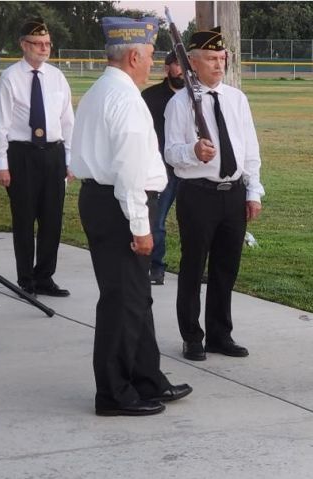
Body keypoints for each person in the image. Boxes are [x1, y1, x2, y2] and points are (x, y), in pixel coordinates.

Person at [70, 16, 192, 416]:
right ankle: (113, 393)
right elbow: (128, 172)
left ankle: (146, 378)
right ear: (134, 55)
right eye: (152, 54)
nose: (154, 61)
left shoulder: (99, 91)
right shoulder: (125, 99)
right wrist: (141, 227)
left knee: (136, 298)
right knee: (123, 302)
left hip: (103, 201)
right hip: (122, 205)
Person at [164, 27, 264, 362]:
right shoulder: (180, 103)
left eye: (221, 58)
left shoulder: (237, 99)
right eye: (210, 58)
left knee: (226, 268)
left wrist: (253, 191)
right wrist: (193, 151)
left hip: (232, 194)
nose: (218, 65)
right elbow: (170, 153)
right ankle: (192, 336)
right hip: (198, 194)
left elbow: (249, 149)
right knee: (193, 266)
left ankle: (220, 334)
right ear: (192, 62)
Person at [0, 17, 73, 297]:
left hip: (53, 153)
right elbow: (0, 125)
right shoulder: (10, 78)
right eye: (37, 44)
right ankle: (26, 280)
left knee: (52, 220)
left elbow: (67, 120)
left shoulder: (57, 77)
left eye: (47, 43)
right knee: (25, 219)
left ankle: (45, 277)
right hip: (22, 155)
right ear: (23, 45)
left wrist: (69, 159)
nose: (44, 48)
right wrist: (1, 163)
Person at [142, 51, 184, 285]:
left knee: (195, 222)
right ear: (167, 68)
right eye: (177, 64)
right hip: (162, 170)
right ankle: (156, 267)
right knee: (156, 221)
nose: (182, 70)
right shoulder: (150, 97)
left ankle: (194, 268)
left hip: (190, 169)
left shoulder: (196, 96)